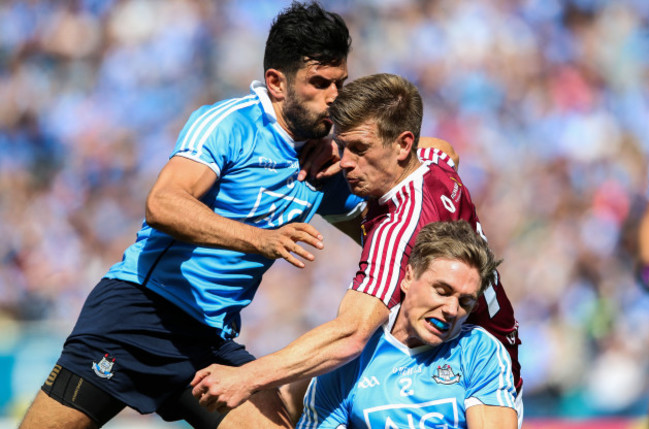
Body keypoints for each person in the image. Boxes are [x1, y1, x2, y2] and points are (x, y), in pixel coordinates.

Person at [19, 2, 362, 428]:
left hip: (208, 340)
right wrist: (260, 239)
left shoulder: (325, 161)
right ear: (276, 82)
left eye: (340, 83)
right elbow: (163, 204)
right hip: (140, 311)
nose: (334, 97)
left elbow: (379, 230)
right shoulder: (230, 124)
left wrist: (420, 157)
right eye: (320, 83)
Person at [191, 73, 523, 427]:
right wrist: (345, 145)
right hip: (489, 347)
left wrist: (247, 377)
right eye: (343, 145)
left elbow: (352, 333)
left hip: (459, 368)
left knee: (271, 398)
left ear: (402, 144)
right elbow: (446, 149)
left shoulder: (398, 229)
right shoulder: (433, 165)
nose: (346, 162)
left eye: (360, 149)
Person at [298, 220, 518, 429]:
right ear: (408, 278)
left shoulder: (477, 351)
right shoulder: (349, 357)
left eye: (464, 302)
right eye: (442, 291)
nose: (451, 309)